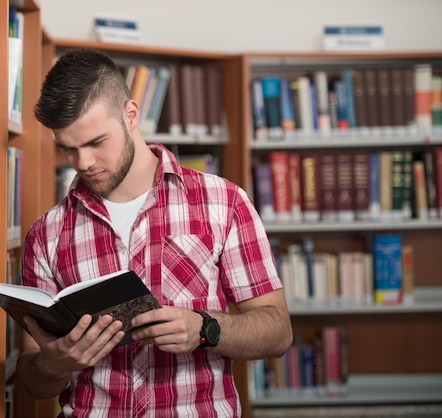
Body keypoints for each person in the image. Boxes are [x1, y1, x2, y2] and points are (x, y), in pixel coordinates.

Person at [17, 47, 292, 417]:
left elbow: (277, 332)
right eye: (68, 149)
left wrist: (205, 328)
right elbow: (33, 380)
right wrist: (57, 363)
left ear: (131, 115)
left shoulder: (224, 203)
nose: (83, 163)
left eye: (96, 143)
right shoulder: (46, 235)